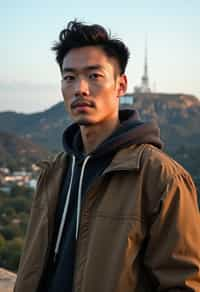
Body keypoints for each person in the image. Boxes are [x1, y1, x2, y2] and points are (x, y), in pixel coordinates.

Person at [14, 20, 200, 292]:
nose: (81, 88)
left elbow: (183, 284)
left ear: (121, 85)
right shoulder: (53, 172)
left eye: (94, 76)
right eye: (69, 77)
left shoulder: (161, 177)